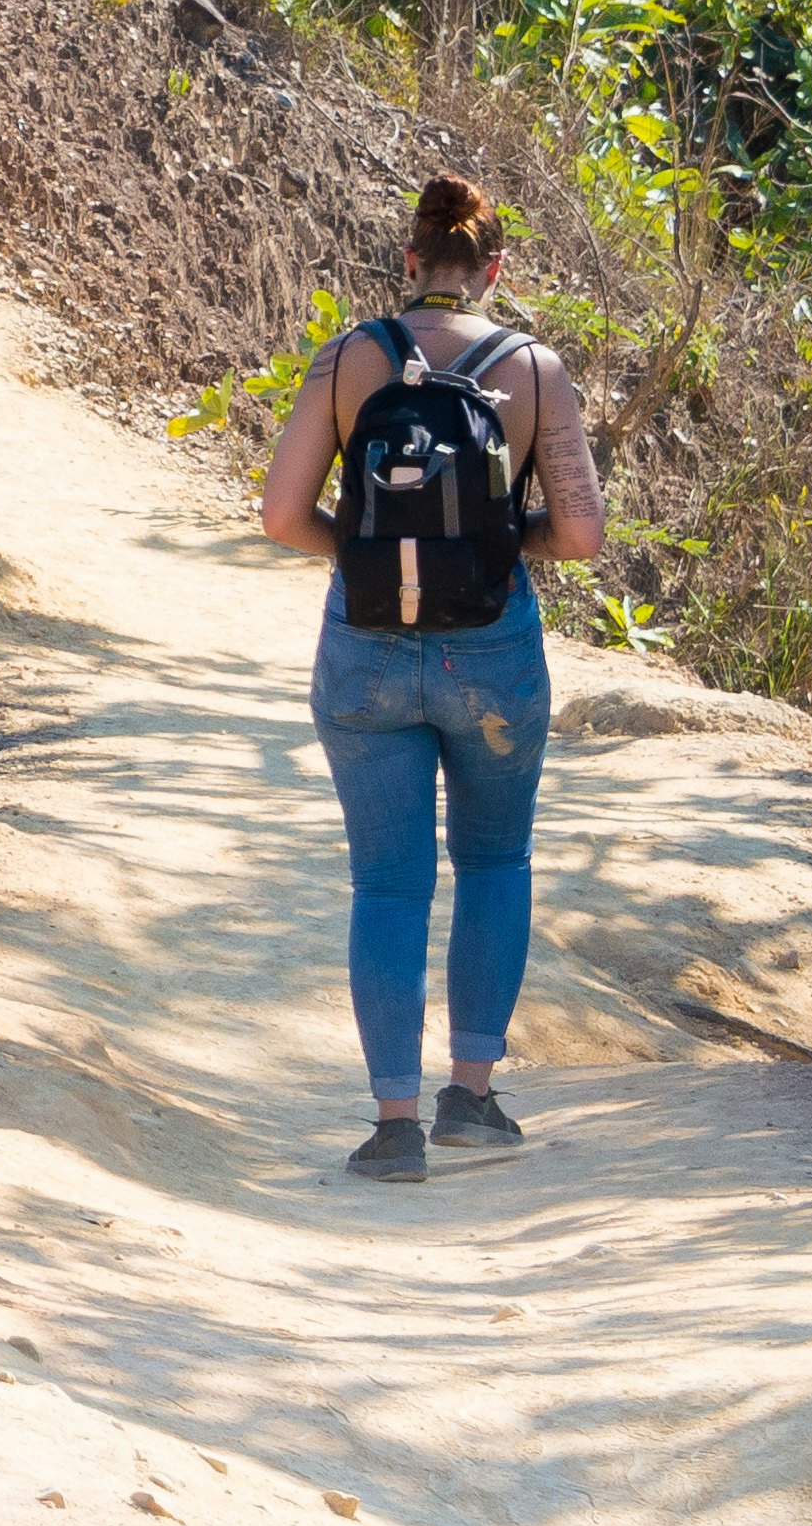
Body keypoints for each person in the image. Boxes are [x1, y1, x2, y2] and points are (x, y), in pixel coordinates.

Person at [254, 176, 606, 1183]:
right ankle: (473, 1096)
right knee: (493, 862)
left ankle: (393, 1124)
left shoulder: (345, 360)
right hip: (491, 649)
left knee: (387, 880)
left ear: (408, 262)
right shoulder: (533, 369)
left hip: (363, 646)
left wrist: (363, 556)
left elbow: (281, 513)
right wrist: (491, 547)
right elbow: (578, 534)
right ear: (495, 270)